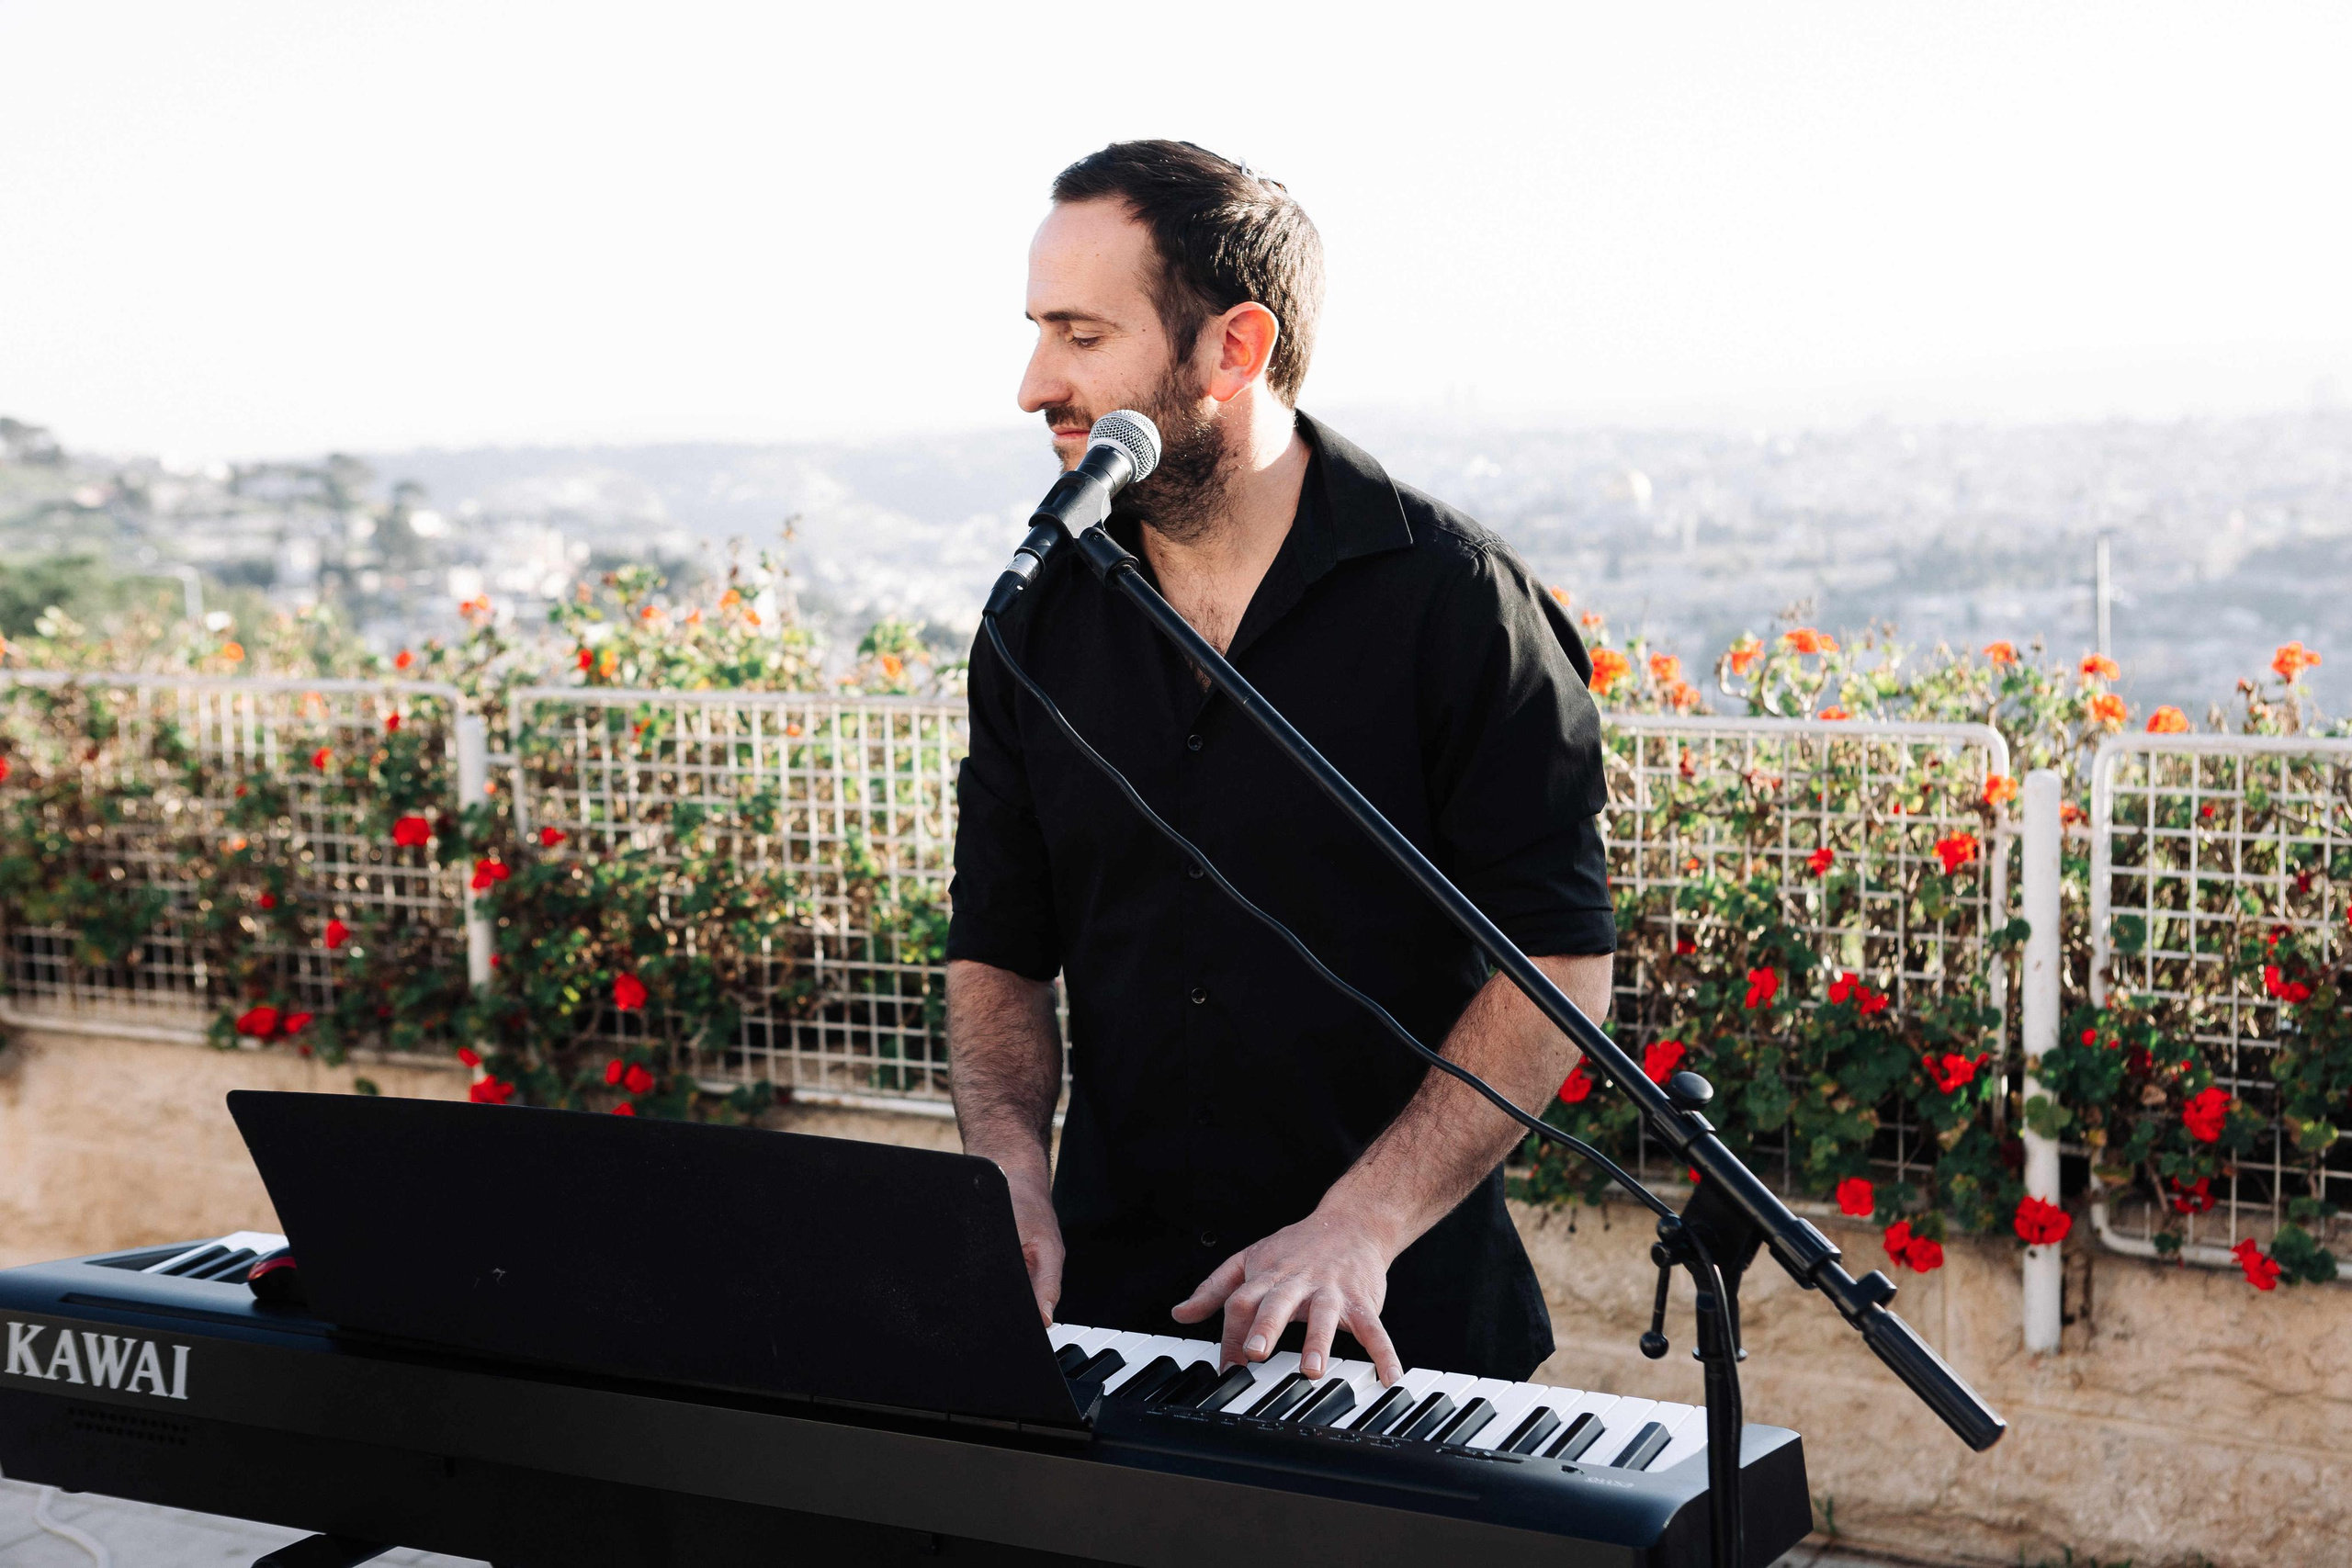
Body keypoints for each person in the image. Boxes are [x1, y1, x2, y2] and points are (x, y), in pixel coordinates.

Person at [945, 140, 1614, 1391]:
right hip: (1108, 1320)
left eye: (1082, 337)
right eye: (1040, 331)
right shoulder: (1039, 619)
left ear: (1233, 351)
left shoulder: (1457, 605)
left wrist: (1359, 1223)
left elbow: (1560, 962)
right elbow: (999, 952)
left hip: (1396, 1338)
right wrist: (1007, 1181)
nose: (1036, 382)